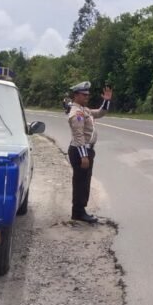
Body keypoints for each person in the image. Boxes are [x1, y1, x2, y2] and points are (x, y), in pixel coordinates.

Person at [67, 81, 112, 223]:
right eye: (83, 94)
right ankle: (78, 212)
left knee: (84, 181)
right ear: (76, 95)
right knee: (81, 182)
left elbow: (99, 113)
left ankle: (79, 211)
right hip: (81, 151)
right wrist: (84, 156)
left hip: (85, 151)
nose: (87, 97)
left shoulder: (84, 110)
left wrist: (106, 101)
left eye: (88, 94)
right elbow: (78, 135)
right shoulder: (77, 113)